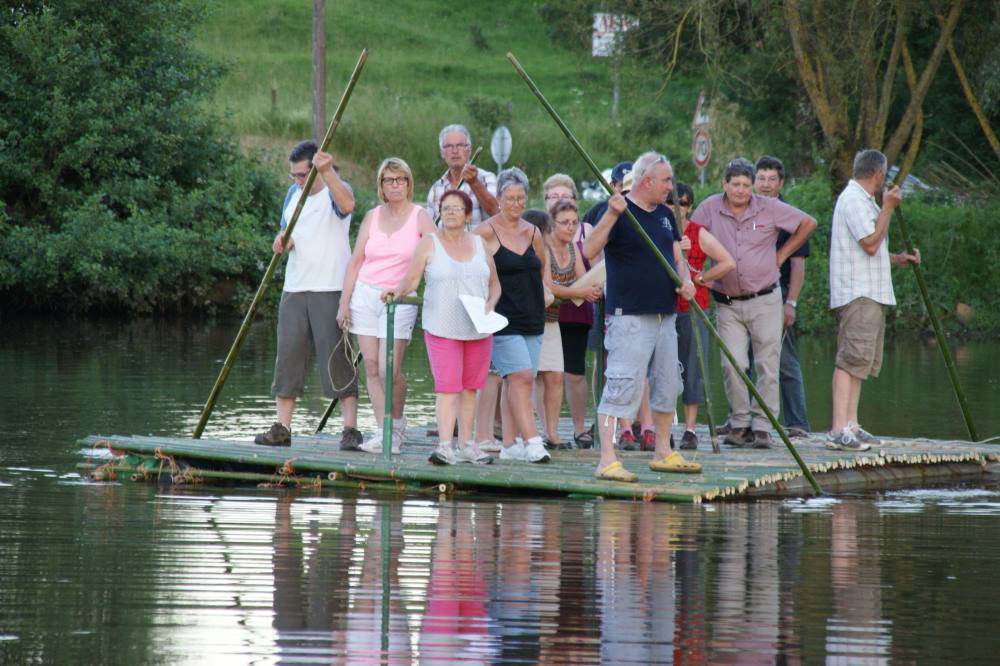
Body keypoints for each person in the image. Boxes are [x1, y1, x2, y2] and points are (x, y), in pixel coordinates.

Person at [583, 152, 708, 482]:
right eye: (666, 181)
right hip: (629, 315)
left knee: (668, 384)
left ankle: (663, 452)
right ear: (647, 181)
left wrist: (687, 281)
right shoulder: (617, 209)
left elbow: (677, 258)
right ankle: (607, 459)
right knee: (621, 383)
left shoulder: (666, 215)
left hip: (665, 313)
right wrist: (612, 214)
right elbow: (590, 249)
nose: (671, 187)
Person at [690, 158, 816, 449]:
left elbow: (808, 223)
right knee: (732, 364)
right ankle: (740, 423)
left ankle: (763, 426)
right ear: (724, 184)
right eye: (735, 184)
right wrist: (698, 274)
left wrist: (782, 255)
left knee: (767, 364)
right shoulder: (709, 207)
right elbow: (689, 238)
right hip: (727, 301)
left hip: (765, 298)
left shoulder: (768, 206)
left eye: (746, 185)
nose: (741, 190)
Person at [381, 190, 499, 465]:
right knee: (448, 387)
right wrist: (395, 292)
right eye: (446, 208)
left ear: (468, 215)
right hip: (442, 326)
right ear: (439, 213)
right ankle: (445, 446)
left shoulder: (480, 244)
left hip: (478, 327)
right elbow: (411, 281)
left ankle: (467, 445)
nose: (451, 212)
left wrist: (491, 303)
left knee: (470, 388)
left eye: (457, 208)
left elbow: (494, 283)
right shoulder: (429, 243)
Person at [255, 140, 359, 448]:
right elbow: (286, 231)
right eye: (294, 175)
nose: (299, 180)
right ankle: (282, 427)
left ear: (316, 168)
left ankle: (350, 429)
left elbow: (347, 206)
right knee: (287, 355)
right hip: (295, 287)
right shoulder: (292, 194)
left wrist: (326, 172)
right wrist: (282, 240)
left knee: (337, 356)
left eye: (303, 174)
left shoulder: (336, 188)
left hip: (330, 286)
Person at [338, 157, 436, 454]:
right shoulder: (372, 216)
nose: (395, 185)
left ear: (408, 183)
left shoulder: (420, 216)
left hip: (400, 298)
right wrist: (344, 304)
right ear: (381, 185)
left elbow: (436, 255)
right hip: (365, 295)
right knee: (371, 367)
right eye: (389, 180)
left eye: (400, 179)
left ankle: (397, 420)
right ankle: (385, 432)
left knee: (388, 369)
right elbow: (356, 262)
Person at [828, 149, 920, 450]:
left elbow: (870, 249)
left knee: (860, 363)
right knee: (850, 359)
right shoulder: (854, 200)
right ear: (878, 173)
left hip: (869, 292)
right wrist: (888, 208)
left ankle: (852, 425)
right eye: (885, 174)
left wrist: (898, 258)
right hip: (859, 293)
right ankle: (838, 429)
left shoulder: (864, 201)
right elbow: (869, 243)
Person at [473, 167, 551, 463]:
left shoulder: (533, 232)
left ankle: (509, 443)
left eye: (520, 198)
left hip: (533, 315)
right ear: (499, 198)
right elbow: (466, 264)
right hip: (502, 318)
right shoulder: (485, 231)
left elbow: (541, 270)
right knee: (520, 376)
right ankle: (532, 441)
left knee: (517, 380)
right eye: (510, 198)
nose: (516, 203)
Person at [670, 182, 736, 450]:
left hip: (692, 308)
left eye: (683, 204)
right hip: (662, 307)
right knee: (661, 370)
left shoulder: (697, 233)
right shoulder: (658, 229)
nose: (677, 209)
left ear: (690, 207)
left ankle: (690, 429)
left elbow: (727, 262)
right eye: (671, 203)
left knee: (693, 367)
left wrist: (701, 278)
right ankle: (658, 427)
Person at [539, 199, 604, 448]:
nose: (570, 227)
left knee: (556, 376)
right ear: (552, 223)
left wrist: (592, 289)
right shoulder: (544, 248)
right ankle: (532, 432)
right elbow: (549, 286)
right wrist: (581, 291)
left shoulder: (573, 249)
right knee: (531, 377)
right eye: (564, 222)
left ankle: (553, 433)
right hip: (536, 319)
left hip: (554, 318)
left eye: (574, 223)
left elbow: (583, 279)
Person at [754, 155, 812, 438]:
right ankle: (746, 421)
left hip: (779, 295)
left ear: (781, 182)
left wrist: (791, 302)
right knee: (745, 361)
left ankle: (797, 423)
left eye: (771, 179)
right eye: (761, 179)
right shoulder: (745, 212)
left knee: (784, 361)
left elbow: (798, 265)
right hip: (746, 296)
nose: (766, 185)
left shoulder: (792, 217)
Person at [426, 124, 499, 226]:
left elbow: (497, 213)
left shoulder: (487, 178)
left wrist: (475, 183)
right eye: (449, 146)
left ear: (469, 150)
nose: (455, 151)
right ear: (442, 153)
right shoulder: (435, 189)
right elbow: (430, 229)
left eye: (460, 145)